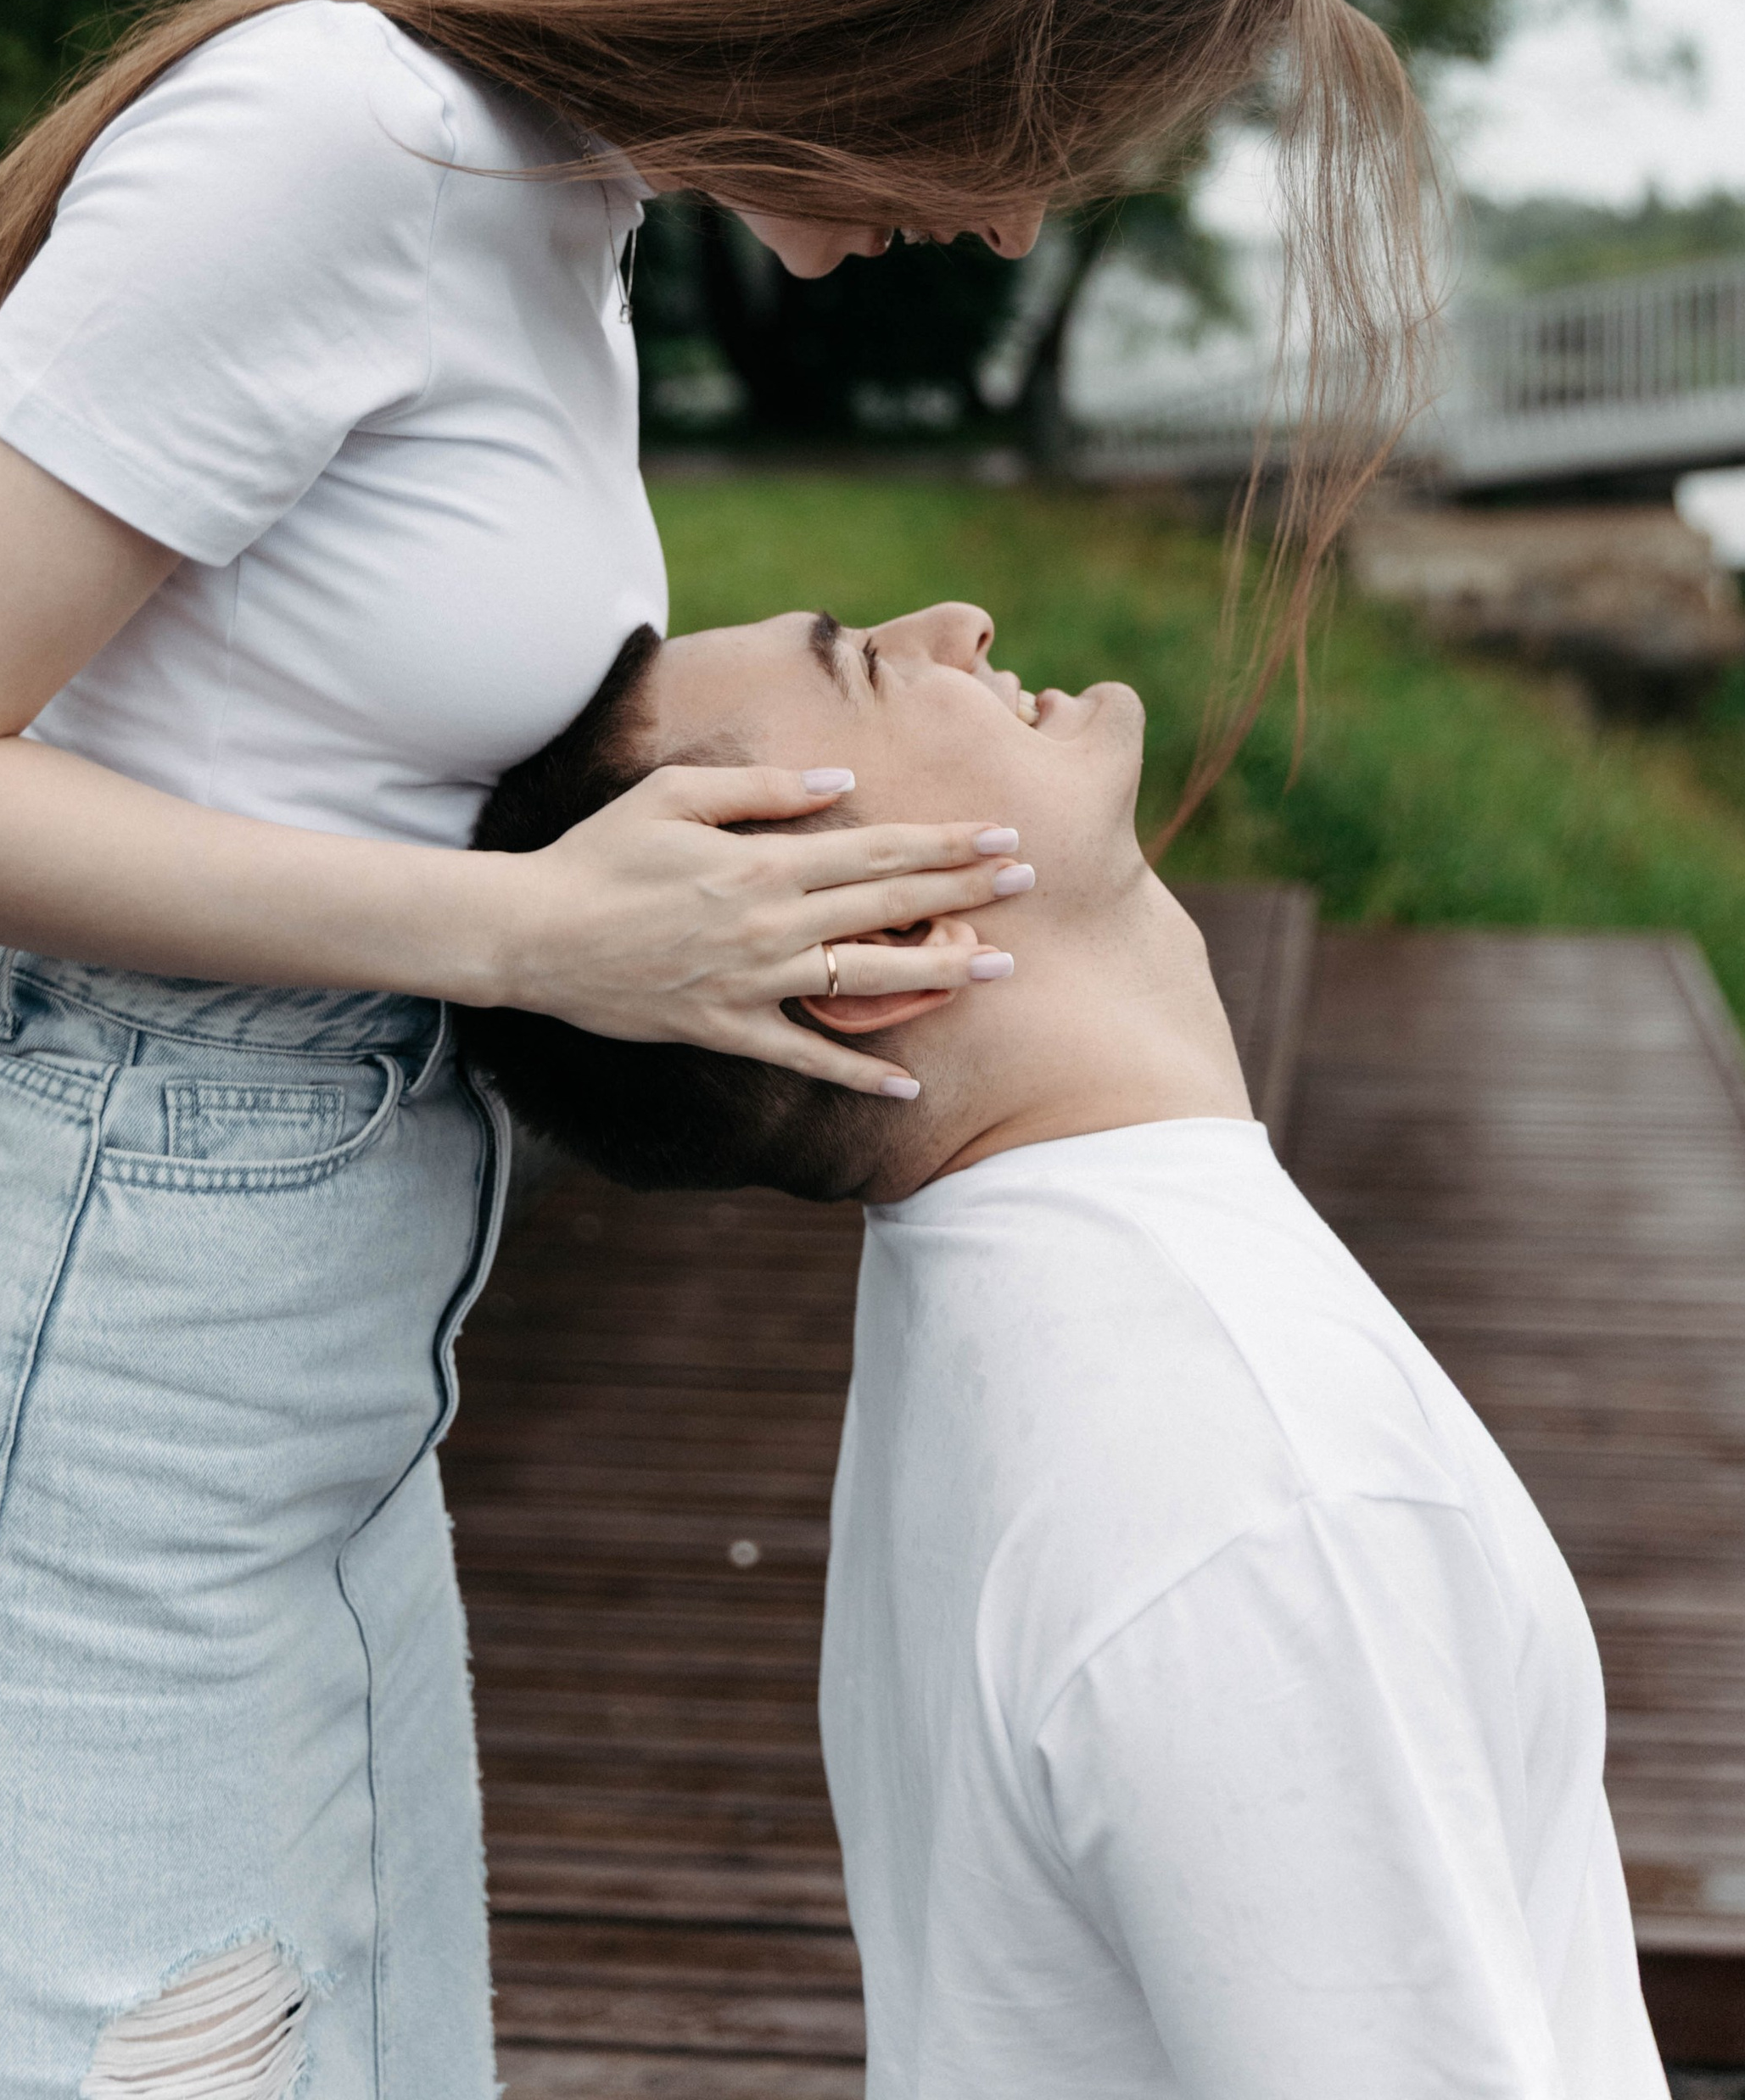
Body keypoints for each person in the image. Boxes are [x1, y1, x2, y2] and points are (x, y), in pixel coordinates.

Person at [0, 0, 1428, 2099]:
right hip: (112, 1368)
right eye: (1030, 135)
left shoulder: (548, 224)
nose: (1009, 225)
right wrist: (528, 934)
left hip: (330, 1376)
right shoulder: (334, 142)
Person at [462, 600, 1673, 2100]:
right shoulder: (1258, 1488)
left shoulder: (1004, 1309)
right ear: (896, 945)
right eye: (866, 664)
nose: (956, 624)